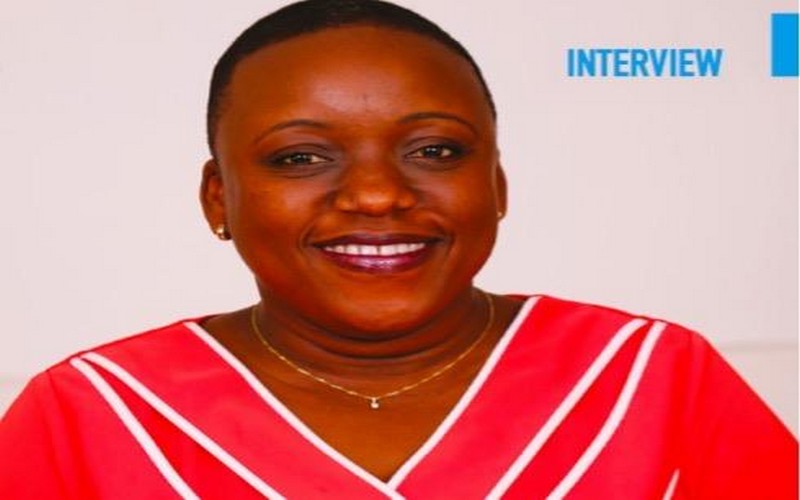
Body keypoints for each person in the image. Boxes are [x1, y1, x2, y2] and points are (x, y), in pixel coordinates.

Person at [0, 0, 796, 498]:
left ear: (497, 184)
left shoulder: (653, 379)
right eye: (300, 157)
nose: (378, 195)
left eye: (436, 150)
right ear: (219, 198)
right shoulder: (90, 414)